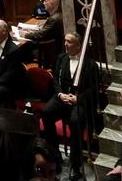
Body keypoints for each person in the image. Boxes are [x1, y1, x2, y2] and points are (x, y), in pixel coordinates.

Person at [41, 33, 100, 180]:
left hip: (79, 101)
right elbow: (55, 79)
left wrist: (78, 99)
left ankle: (75, 164)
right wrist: (60, 94)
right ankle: (54, 154)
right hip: (62, 97)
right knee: (46, 112)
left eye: (69, 42)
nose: (65, 44)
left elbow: (93, 89)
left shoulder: (91, 65)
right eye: (65, 41)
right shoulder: (61, 58)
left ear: (79, 46)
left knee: (75, 121)